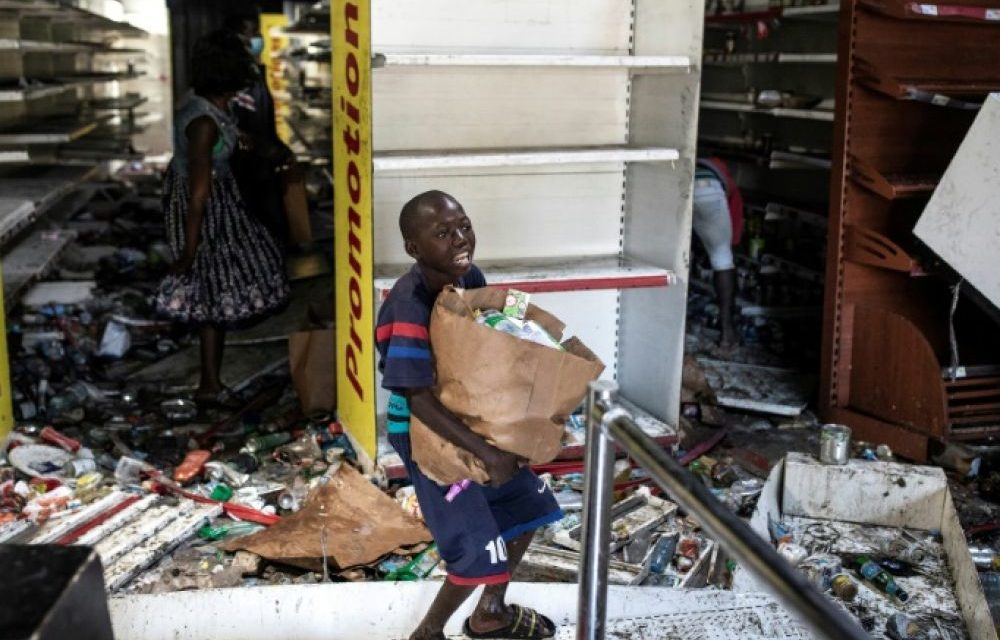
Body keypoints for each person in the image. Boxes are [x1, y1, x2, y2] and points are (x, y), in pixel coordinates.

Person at [376, 190, 563, 640]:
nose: (460, 238)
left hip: (468, 417)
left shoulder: (467, 276)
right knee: (474, 545)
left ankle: (490, 613)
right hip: (425, 433)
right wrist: (488, 453)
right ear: (414, 248)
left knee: (529, 506)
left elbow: (483, 345)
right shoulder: (408, 305)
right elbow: (416, 397)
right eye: (443, 233)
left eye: (464, 226)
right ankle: (428, 632)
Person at [156, 30, 290, 408]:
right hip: (207, 210)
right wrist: (189, 250)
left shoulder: (212, 108)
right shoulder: (203, 123)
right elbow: (198, 193)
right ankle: (209, 384)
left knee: (214, 294)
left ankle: (210, 383)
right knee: (217, 287)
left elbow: (228, 136)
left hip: (216, 202)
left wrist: (253, 143)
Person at [223, 10, 313, 250]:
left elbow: (263, 122)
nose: (257, 38)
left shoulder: (254, 72)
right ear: (235, 37)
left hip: (262, 164)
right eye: (251, 33)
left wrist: (281, 149)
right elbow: (235, 126)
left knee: (272, 228)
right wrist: (268, 150)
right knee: (258, 230)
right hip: (246, 167)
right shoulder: (234, 78)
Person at [693, 157, 744, 349]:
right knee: (722, 258)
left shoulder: (698, 161)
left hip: (679, 182)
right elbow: (733, 237)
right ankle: (727, 333)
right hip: (708, 189)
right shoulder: (733, 190)